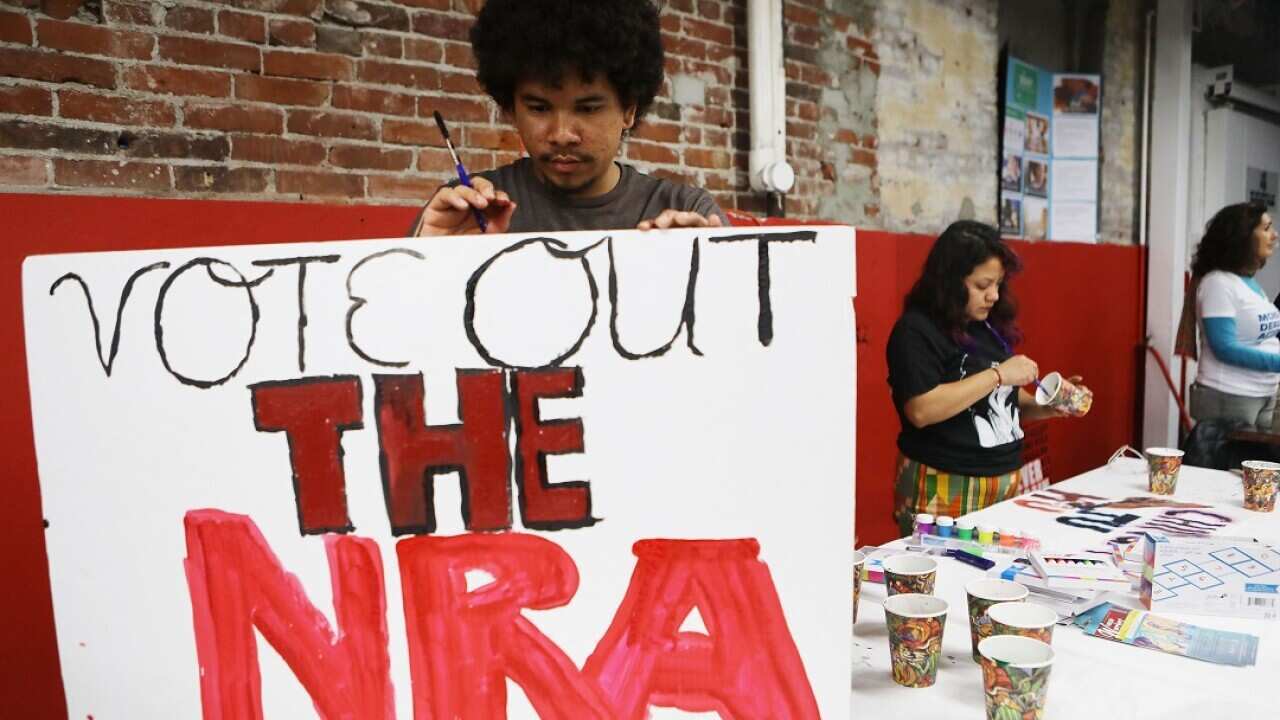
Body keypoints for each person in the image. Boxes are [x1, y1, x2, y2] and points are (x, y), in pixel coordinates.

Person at [410, 0, 726, 236]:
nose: (562, 134)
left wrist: (710, 272)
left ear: (629, 109)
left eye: (587, 109)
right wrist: (431, 262)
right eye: (539, 108)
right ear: (511, 108)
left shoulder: (688, 213)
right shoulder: (462, 213)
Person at [886, 221, 1087, 534]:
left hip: (1004, 481)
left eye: (998, 284)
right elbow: (921, 410)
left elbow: (1004, 403)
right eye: (982, 285)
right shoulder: (915, 331)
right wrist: (999, 375)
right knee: (942, 563)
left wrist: (1046, 406)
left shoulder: (987, 326)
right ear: (950, 281)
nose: (993, 295)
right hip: (944, 483)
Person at [1177, 201, 1280, 430]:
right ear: (1242, 237)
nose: (1274, 235)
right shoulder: (1218, 284)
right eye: (1266, 228)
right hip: (1230, 397)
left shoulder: (1248, 282)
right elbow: (1224, 347)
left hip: (1261, 394)